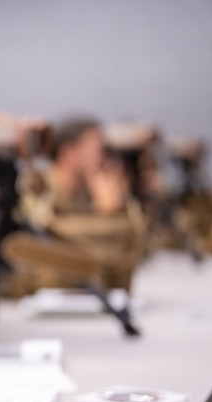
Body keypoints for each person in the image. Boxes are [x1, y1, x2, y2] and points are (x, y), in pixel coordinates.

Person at [17, 116, 147, 291]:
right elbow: (40, 236)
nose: (103, 157)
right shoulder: (41, 185)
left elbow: (131, 252)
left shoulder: (94, 189)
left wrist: (117, 209)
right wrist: (109, 217)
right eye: (95, 149)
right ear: (69, 153)